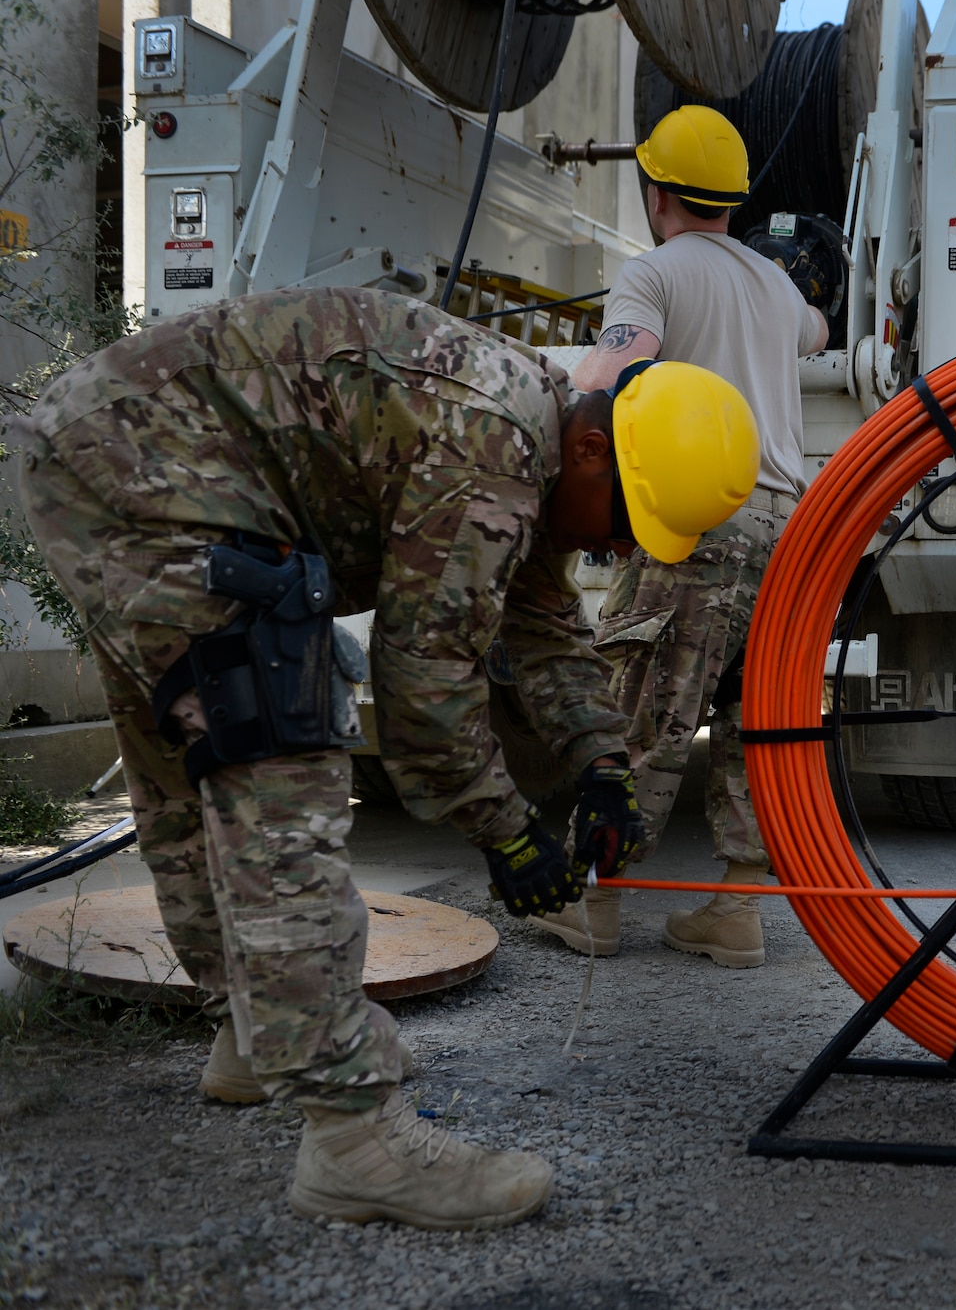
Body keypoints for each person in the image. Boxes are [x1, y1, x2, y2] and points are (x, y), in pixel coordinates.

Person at [16, 287, 757, 1230]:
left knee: (187, 761)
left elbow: (539, 621)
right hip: (148, 471)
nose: (615, 548)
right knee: (282, 762)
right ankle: (353, 1136)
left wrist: (602, 765)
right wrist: (507, 832)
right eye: (623, 523)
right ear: (591, 452)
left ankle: (255, 1030)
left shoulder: (534, 435)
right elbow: (426, 688)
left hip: (114, 452)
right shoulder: (493, 450)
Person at [531, 104, 830, 968]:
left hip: (696, 526)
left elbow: (613, 373)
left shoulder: (652, 273)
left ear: (655, 189)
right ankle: (735, 908)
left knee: (639, 712)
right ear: (734, 200)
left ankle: (596, 900)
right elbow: (817, 330)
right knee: (752, 721)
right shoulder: (779, 288)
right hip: (785, 536)